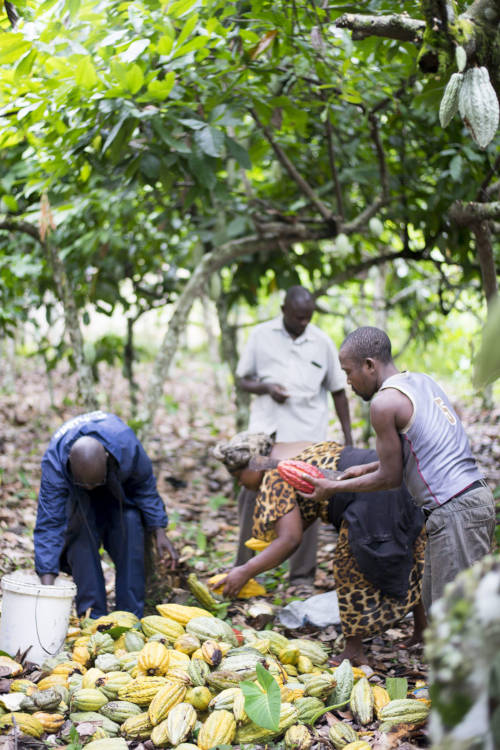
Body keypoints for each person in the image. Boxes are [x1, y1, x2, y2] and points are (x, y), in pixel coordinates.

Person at [304, 326, 496, 613]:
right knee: (440, 608)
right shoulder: (421, 382)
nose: (348, 382)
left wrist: (333, 488)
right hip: (472, 501)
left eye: (348, 372)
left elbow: (390, 478)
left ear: (369, 365)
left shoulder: (383, 403)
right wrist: (363, 469)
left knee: (457, 618)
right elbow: (418, 451)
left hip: (455, 511)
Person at [213, 432, 427, 665]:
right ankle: (423, 632)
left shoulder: (274, 473)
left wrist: (245, 571)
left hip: (370, 498)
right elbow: (301, 518)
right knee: (411, 556)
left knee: (349, 569)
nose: (240, 483)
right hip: (396, 479)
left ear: (252, 464)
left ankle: (354, 650)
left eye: (238, 476)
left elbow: (289, 540)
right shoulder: (297, 447)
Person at [235, 286, 353, 594]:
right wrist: (267, 388)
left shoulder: (322, 342)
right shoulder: (261, 336)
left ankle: (301, 578)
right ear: (284, 309)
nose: (303, 322)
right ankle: (245, 571)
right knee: (252, 490)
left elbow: (339, 391)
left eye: (308, 317)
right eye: (298, 317)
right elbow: (242, 379)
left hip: (305, 437)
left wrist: (348, 437)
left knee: (308, 498)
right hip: (266, 433)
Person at [34, 411, 178, 618]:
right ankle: (92, 615)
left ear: (107, 459)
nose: (91, 488)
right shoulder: (55, 464)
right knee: (79, 534)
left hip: (117, 492)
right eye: (87, 484)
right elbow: (49, 522)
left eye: (94, 483)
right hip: (77, 499)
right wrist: (47, 586)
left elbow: (145, 488)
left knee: (130, 525)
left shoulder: (127, 446)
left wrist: (159, 530)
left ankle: (130, 616)